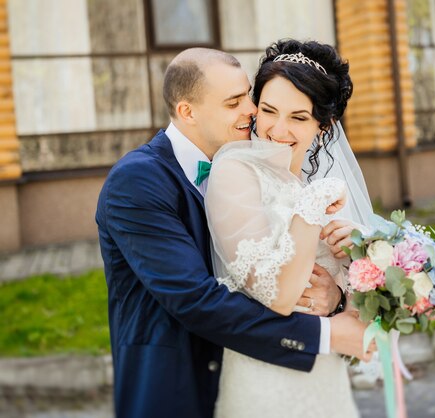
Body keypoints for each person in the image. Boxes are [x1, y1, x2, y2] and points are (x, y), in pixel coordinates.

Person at [95, 47, 371, 418]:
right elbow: (196, 298)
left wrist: (336, 299)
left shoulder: (268, 168)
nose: (252, 111)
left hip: (262, 373)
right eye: (234, 102)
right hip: (177, 387)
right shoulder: (138, 181)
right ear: (187, 112)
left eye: (249, 96)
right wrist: (325, 335)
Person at [206, 39, 374, 418]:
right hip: (266, 383)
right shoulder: (234, 171)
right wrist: (312, 210)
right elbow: (278, 295)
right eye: (268, 111)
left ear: (323, 125)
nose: (277, 130)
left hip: (324, 377)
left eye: (298, 118)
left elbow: (358, 317)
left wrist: (342, 291)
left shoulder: (308, 189)